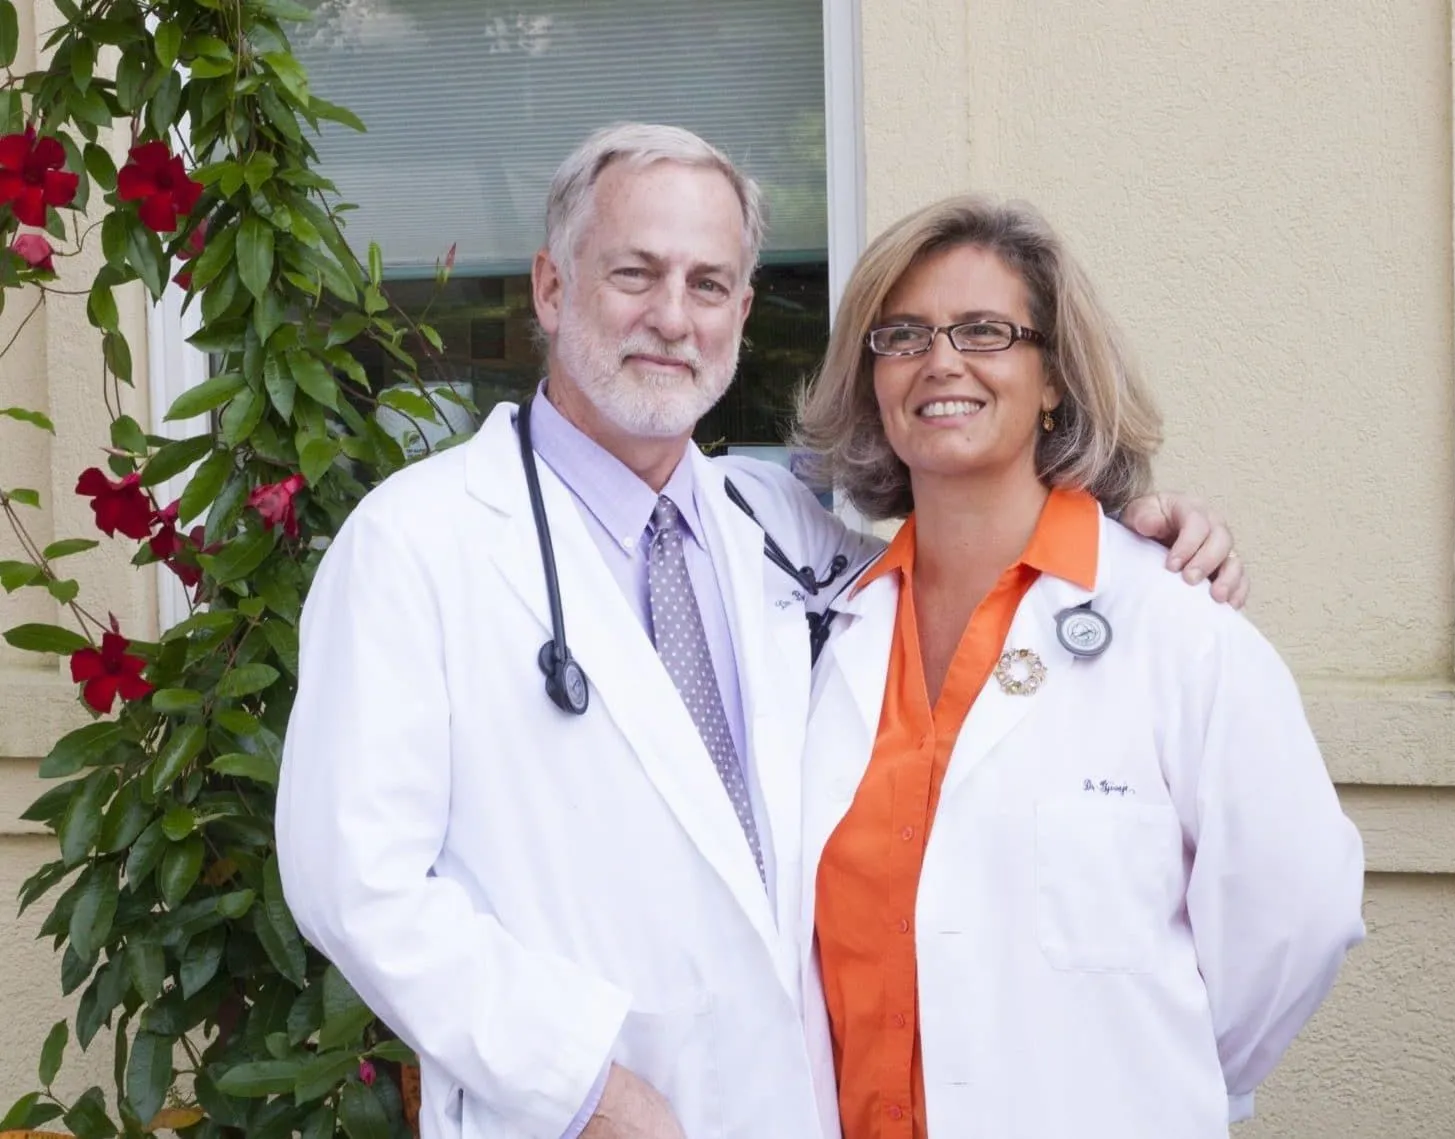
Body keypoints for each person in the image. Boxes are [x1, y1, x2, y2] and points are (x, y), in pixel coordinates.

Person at [275, 125, 1246, 1139]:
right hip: (582, 1113)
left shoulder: (777, 525)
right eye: (634, 273)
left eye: (708, 284)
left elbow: (979, 579)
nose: (671, 317)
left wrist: (1138, 540)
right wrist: (579, 1081)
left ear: (741, 312)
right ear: (551, 290)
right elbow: (354, 880)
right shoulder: (416, 543)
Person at [794, 196, 1365, 1138]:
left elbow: (1295, 915)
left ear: (1053, 375)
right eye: (902, 336)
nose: (941, 361)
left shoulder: (1174, 624)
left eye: (984, 331)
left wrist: (1155, 1073)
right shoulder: (825, 625)